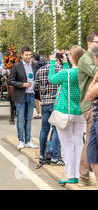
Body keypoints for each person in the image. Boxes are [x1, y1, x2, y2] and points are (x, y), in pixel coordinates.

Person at [48, 45, 85, 185]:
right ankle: (78, 174)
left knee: (67, 144)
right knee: (78, 143)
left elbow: (52, 78)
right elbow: (70, 74)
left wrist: (52, 62)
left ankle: (70, 175)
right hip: (80, 111)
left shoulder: (66, 73)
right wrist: (65, 63)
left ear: (71, 57)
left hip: (65, 111)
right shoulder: (83, 72)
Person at [34, 53, 64, 166]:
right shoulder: (61, 69)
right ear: (57, 60)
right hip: (57, 103)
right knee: (56, 130)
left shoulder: (40, 70)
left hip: (45, 103)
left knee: (44, 130)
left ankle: (42, 154)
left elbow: (36, 87)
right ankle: (55, 156)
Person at [8, 46, 39, 150]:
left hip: (31, 95)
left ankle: (28, 140)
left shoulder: (35, 65)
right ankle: (21, 140)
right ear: (22, 55)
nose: (28, 56)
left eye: (30, 55)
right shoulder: (17, 66)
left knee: (29, 119)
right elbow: (10, 81)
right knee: (21, 119)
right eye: (26, 55)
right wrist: (22, 84)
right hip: (20, 95)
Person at [78, 32, 98, 186]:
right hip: (89, 105)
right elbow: (95, 72)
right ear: (89, 42)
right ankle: (84, 176)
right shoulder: (86, 59)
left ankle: (84, 176)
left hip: (90, 104)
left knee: (91, 142)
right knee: (91, 142)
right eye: (97, 42)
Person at [84, 45, 98, 189]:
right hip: (96, 118)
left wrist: (94, 80)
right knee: (92, 152)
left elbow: (89, 95)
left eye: (94, 57)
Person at [4, 45, 20, 124]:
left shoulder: (17, 59)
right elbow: (5, 65)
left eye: (13, 52)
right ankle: (8, 91)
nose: (12, 53)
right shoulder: (6, 58)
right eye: (11, 52)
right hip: (9, 71)